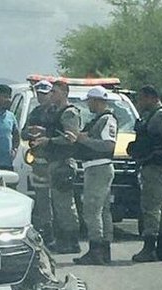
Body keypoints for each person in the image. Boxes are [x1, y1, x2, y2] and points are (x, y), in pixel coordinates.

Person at [127, 85, 162, 263]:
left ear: (151, 97)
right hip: (152, 166)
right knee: (160, 207)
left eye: (142, 99)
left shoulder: (161, 116)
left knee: (151, 208)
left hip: (159, 167)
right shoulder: (151, 116)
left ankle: (150, 248)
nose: (140, 102)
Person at [31, 80, 81, 254]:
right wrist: (43, 133)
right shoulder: (54, 112)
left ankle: (71, 241)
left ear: (65, 93)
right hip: (54, 163)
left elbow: (71, 138)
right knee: (58, 204)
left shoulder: (69, 113)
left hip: (64, 162)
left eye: (55, 92)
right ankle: (63, 240)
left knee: (65, 205)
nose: (52, 95)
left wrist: (49, 141)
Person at [70, 85, 117, 265]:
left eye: (89, 101)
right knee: (103, 210)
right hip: (97, 168)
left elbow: (108, 145)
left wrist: (84, 140)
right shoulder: (100, 120)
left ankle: (96, 250)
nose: (88, 104)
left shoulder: (107, 120)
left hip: (99, 168)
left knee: (92, 210)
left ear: (97, 101)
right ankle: (104, 250)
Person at [21, 80, 56, 245]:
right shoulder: (35, 112)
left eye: (45, 94)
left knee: (58, 198)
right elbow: (23, 133)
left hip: (56, 161)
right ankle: (46, 231)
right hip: (39, 162)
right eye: (39, 94)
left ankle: (61, 232)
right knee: (42, 198)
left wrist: (45, 133)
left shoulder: (58, 112)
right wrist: (30, 132)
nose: (42, 97)